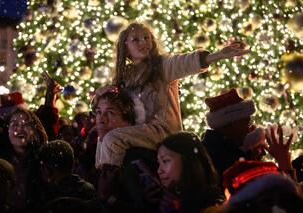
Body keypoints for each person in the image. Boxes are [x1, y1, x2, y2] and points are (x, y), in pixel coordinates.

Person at [94, 21, 250, 168]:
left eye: (147, 38)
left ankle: (109, 187)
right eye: (136, 39)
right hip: (138, 131)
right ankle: (100, 178)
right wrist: (100, 94)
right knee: (104, 136)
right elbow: (107, 104)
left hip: (163, 131)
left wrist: (217, 56)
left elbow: (184, 63)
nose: (143, 42)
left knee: (112, 139)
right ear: (126, 47)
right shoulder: (125, 77)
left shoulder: (162, 66)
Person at [144, 132, 224, 213]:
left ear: (187, 161)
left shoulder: (214, 206)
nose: (159, 170)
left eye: (165, 161)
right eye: (159, 163)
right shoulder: (165, 200)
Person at [201, 88, 266, 183]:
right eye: (247, 123)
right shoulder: (223, 156)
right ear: (235, 123)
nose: (249, 129)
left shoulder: (218, 146)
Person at [32, 140, 96, 211]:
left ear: (48, 170)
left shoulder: (46, 199)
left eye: (41, 169)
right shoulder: (90, 191)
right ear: (73, 164)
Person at [6, 107, 48, 210]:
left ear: (34, 129)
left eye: (25, 124)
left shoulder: (45, 160)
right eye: (15, 124)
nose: (20, 129)